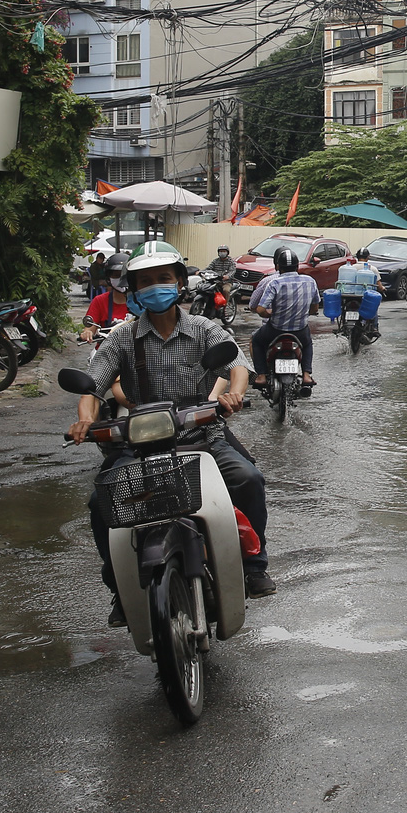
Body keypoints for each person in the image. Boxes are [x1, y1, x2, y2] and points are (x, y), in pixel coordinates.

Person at [68, 241, 273, 626]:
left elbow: (237, 365)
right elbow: (92, 387)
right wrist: (84, 420)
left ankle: (253, 565)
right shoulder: (122, 338)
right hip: (141, 441)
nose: (155, 287)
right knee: (101, 503)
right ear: (134, 289)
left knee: (248, 479)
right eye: (145, 281)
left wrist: (234, 394)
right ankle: (118, 587)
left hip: (203, 434)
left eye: (163, 278)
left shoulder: (203, 328)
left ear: (179, 283)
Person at [249, 249, 320, 388]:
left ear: (277, 267)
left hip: (275, 330)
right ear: (297, 266)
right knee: (307, 344)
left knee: (256, 341)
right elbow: (315, 308)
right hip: (300, 330)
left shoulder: (274, 283)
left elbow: (260, 309)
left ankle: (262, 376)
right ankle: (306, 375)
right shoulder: (310, 281)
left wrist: (270, 314)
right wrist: (304, 313)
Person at [80, 253, 130, 339]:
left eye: (124, 275)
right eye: (116, 275)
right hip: (105, 349)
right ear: (108, 278)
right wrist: (87, 333)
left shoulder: (143, 300)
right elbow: (90, 328)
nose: (121, 279)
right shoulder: (100, 301)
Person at [334, 251, 382, 334]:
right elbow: (379, 285)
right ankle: (374, 327)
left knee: (344, 308)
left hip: (350, 294)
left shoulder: (352, 267)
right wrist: (383, 289)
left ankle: (343, 325)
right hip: (365, 296)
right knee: (373, 307)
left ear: (357, 257)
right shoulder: (372, 269)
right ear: (368, 257)